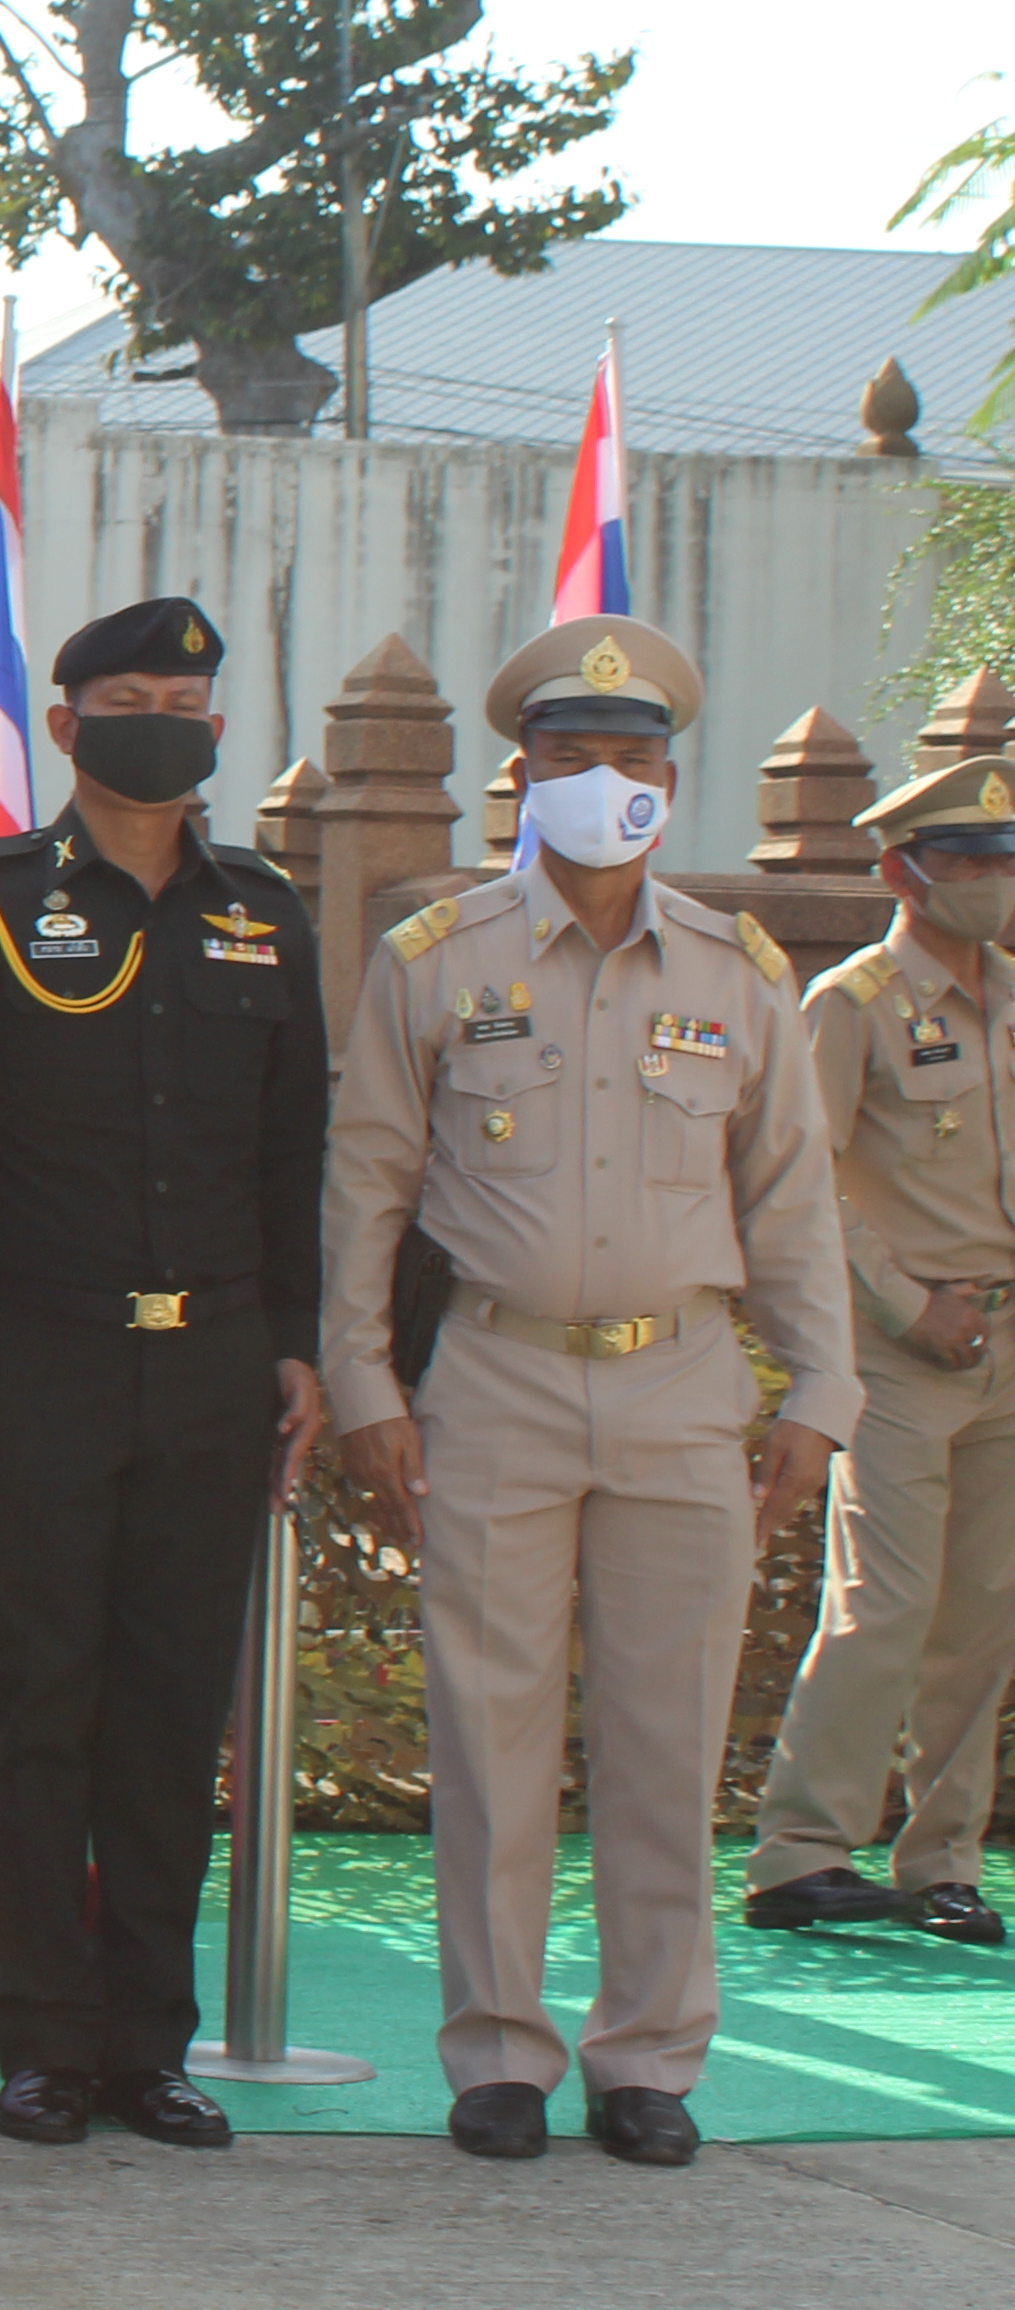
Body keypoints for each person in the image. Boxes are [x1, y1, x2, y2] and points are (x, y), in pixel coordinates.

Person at [321, 612, 852, 2167]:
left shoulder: (736, 972)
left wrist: (821, 1390)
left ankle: (648, 2060)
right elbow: (363, 1190)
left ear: (668, 781)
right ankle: (496, 2054)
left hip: (682, 1380)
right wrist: (365, 1381)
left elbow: (795, 1199)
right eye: (569, 757)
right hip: (492, 1373)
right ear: (521, 776)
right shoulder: (439, 961)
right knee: (489, 1733)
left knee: (667, 1731)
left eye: (629, 759)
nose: (599, 781)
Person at [0, 595, 327, 2149]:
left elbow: (296, 1149)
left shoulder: (261, 911)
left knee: (167, 1715)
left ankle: (149, 2040)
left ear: (218, 730)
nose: (170, 718)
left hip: (216, 1358)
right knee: (40, 1704)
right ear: (70, 722)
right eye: (133, 695)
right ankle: (36, 2037)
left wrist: (293, 1340)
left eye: (193, 697)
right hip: (42, 1356)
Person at [748, 752, 1015, 1945]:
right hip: (907, 1349)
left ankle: (941, 1857)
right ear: (901, 872)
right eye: (966, 860)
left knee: (986, 1615)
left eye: (1005, 860)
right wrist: (910, 1307)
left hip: (1009, 1339)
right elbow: (803, 1183)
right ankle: (801, 1849)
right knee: (885, 1603)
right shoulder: (850, 1005)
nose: (993, 882)